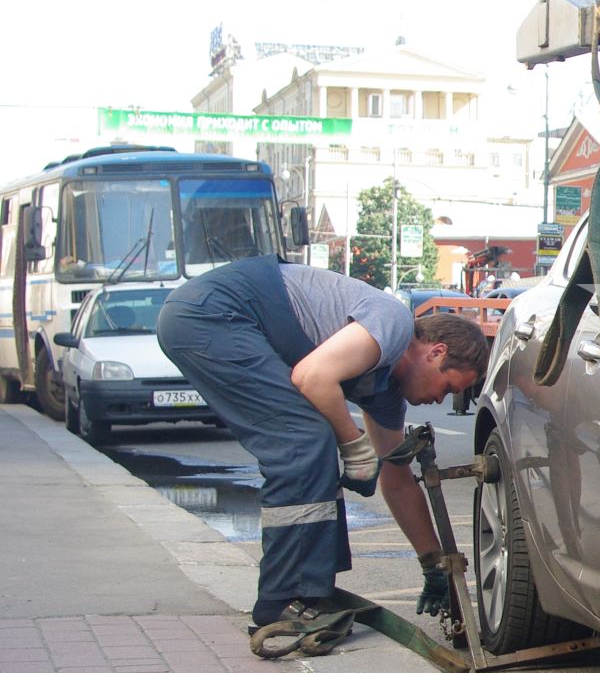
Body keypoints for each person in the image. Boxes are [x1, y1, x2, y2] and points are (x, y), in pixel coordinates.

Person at [156, 256, 488, 649]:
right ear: (435, 352)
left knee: (310, 443)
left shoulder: (383, 394)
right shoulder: (393, 322)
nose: (440, 400)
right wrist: (353, 444)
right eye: (448, 387)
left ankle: (310, 590)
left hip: (214, 320)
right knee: (303, 440)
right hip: (212, 313)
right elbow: (312, 377)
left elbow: (396, 481)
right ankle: (280, 600)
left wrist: (432, 563)